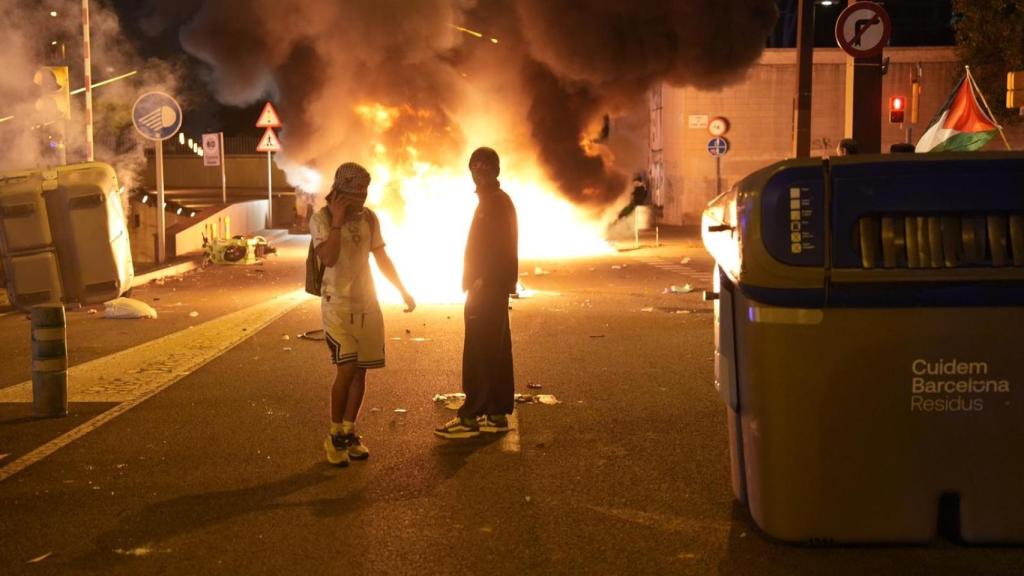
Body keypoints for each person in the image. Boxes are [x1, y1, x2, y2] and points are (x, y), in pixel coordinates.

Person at [310, 162, 416, 466]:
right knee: (346, 368)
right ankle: (334, 435)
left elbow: (381, 256)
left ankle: (349, 430)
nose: (362, 201)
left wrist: (402, 289)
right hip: (336, 304)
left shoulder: (369, 218)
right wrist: (337, 222)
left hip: (367, 303)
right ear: (340, 193)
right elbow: (329, 258)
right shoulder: (321, 219)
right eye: (356, 195)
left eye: (365, 194)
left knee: (360, 370)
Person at [434, 147, 518, 439]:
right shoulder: (495, 200)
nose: (479, 173)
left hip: (487, 288)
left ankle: (470, 416)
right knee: (495, 350)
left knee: (478, 352)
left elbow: (498, 247)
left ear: (495, 170)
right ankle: (496, 413)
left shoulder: (494, 203)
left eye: (484, 168)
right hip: (493, 287)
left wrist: (482, 279)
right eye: (475, 167)